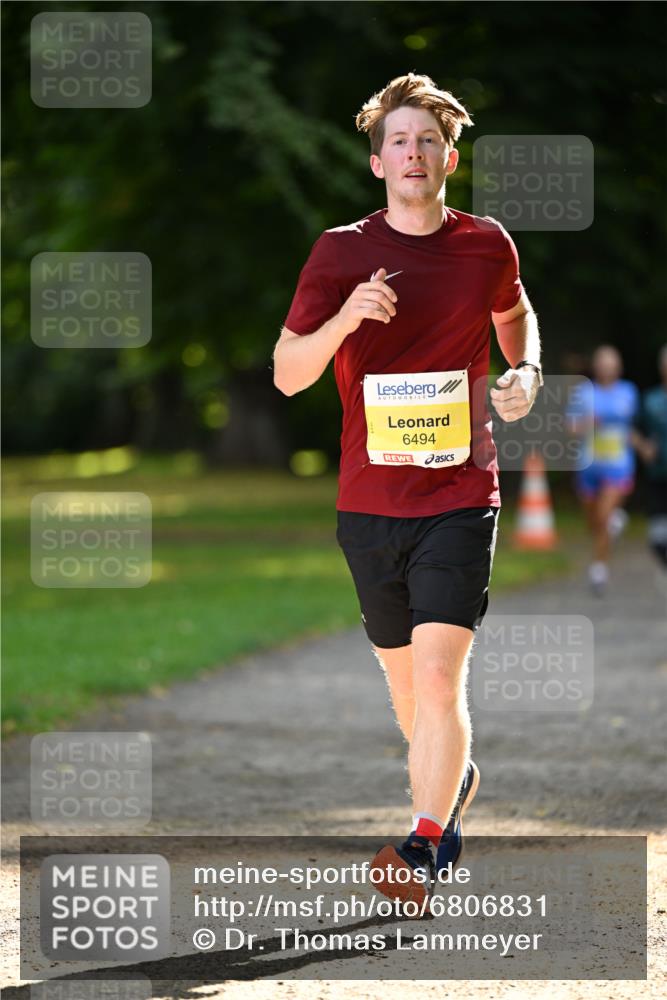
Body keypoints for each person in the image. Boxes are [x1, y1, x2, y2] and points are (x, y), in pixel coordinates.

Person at [273, 73, 542, 909]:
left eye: (427, 140)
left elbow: (514, 310)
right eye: (398, 140)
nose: (413, 153)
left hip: (461, 493)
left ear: (448, 159)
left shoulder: (486, 244)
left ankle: (423, 843)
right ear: (376, 161)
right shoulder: (339, 253)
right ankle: (447, 787)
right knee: (404, 687)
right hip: (368, 502)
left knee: (435, 676)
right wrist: (347, 316)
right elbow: (287, 376)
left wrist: (523, 368)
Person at [570, 346, 640, 595]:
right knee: (594, 522)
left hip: (618, 465)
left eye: (611, 363)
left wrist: (642, 446)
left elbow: (627, 427)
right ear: (595, 366)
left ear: (618, 367)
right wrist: (585, 424)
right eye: (602, 362)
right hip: (588, 464)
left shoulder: (628, 392)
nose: (607, 367)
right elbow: (570, 428)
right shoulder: (582, 392)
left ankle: (599, 570)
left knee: (602, 515)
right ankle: (614, 522)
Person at [632, 345, 667, 580]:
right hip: (658, 477)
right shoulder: (650, 400)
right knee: (658, 539)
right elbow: (632, 430)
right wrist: (643, 447)